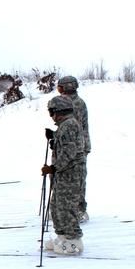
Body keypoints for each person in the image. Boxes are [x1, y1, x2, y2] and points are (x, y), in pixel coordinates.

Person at [40, 96, 86, 255]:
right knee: (57, 205)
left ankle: (73, 239)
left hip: (70, 173)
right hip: (63, 173)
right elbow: (66, 145)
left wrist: (53, 167)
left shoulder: (69, 125)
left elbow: (70, 153)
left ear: (59, 110)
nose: (51, 115)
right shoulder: (65, 126)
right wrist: (55, 139)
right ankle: (62, 235)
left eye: (52, 111)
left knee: (67, 206)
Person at [57, 76, 90, 222]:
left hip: (77, 147)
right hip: (75, 146)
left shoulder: (75, 104)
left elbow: (71, 128)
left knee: (77, 180)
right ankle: (67, 209)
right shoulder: (72, 102)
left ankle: (79, 210)